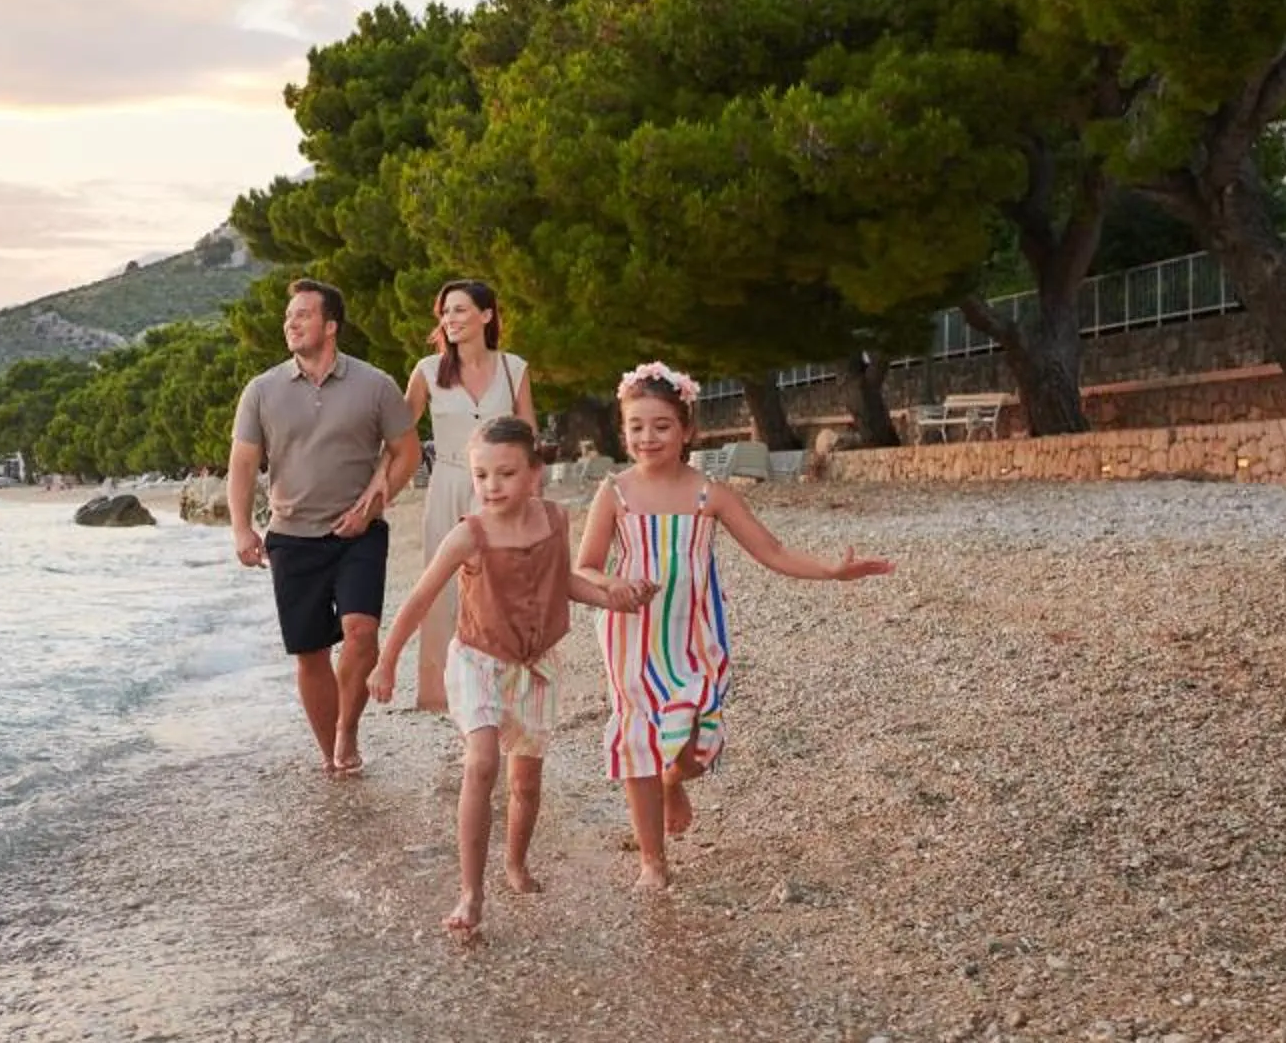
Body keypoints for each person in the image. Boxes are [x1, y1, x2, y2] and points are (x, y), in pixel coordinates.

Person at [578, 361, 894, 895]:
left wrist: (831, 571)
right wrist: (615, 585)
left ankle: (676, 781)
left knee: (695, 749)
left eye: (661, 425)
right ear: (623, 429)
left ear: (686, 430)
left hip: (695, 636)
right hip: (630, 636)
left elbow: (771, 551)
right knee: (638, 741)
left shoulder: (711, 495)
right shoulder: (615, 493)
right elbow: (583, 566)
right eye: (636, 426)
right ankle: (652, 863)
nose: (647, 437)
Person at [372, 416, 642, 937]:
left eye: (506, 473)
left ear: (535, 474)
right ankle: (470, 893)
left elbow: (562, 582)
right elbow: (420, 599)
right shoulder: (468, 535)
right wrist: (387, 662)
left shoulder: (555, 521)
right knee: (481, 763)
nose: (492, 486)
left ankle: (515, 863)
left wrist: (613, 598)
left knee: (526, 780)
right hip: (478, 660)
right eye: (481, 475)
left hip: (536, 665)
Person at [229, 279, 422, 777]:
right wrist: (242, 530)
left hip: (357, 534)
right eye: (288, 316)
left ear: (330, 325)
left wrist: (374, 503)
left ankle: (347, 730)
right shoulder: (262, 390)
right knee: (310, 652)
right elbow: (244, 465)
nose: (290, 323)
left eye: (303, 315)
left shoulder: (375, 384)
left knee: (361, 632)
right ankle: (330, 756)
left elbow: (407, 452)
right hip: (291, 536)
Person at [398, 278, 536, 714]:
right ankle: (445, 694)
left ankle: (501, 684)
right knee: (443, 592)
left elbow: (528, 436)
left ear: (486, 315)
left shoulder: (515, 367)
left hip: (500, 489)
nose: (450, 319)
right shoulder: (425, 372)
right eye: (445, 312)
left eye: (459, 310)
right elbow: (399, 434)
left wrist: (532, 499)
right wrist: (377, 486)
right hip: (449, 485)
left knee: (501, 588)